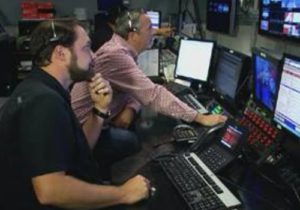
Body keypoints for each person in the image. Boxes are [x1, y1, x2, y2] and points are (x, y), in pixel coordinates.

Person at [0, 19, 150, 210]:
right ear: (61, 53)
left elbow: (75, 150)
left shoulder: (43, 88)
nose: (93, 56)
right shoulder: (43, 103)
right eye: (87, 48)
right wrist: (123, 193)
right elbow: (50, 191)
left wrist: (99, 110)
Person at [71, 9, 227, 177]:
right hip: (81, 132)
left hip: (91, 122)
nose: (154, 32)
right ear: (133, 34)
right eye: (149, 28)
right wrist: (200, 117)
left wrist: (130, 107)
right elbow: (153, 95)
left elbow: (133, 88)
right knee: (137, 143)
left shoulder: (118, 49)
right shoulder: (115, 55)